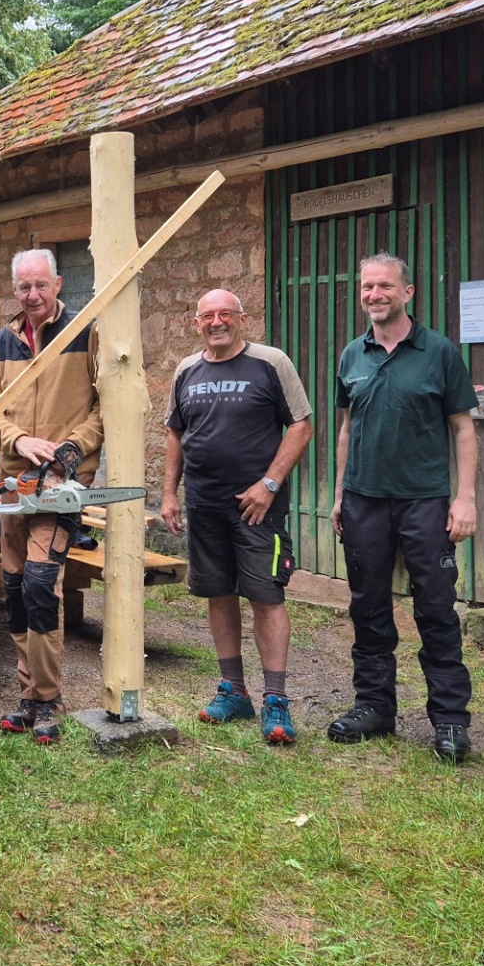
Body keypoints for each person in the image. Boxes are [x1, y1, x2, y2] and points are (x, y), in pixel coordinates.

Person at [329, 252, 480, 764]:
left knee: (436, 610)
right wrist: (340, 495)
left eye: (385, 286)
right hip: (365, 501)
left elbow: (463, 427)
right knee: (368, 608)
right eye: (367, 287)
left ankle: (451, 722)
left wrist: (465, 498)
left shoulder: (438, 352)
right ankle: (374, 708)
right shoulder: (352, 354)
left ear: (407, 292)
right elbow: (347, 429)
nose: (374, 295)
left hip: (425, 502)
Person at [158, 290, 313, 746]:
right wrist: (170, 493)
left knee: (266, 596)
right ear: (196, 322)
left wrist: (269, 485)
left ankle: (276, 700)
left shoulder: (271, 362)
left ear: (242, 319)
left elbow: (301, 424)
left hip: (256, 505)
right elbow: (175, 432)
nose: (217, 321)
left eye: (226, 313)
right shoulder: (186, 369)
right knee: (218, 592)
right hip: (204, 504)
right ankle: (234, 691)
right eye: (208, 315)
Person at [0, 249, 103, 745]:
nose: (32, 295)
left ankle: (50, 698)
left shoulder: (85, 331)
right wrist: (18, 440)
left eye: (40, 285)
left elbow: (103, 404)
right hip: (13, 484)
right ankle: (28, 694)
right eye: (23, 287)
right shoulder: (2, 341)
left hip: (60, 485)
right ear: (15, 289)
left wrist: (73, 448)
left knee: (40, 584)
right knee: (14, 590)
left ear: (58, 284)